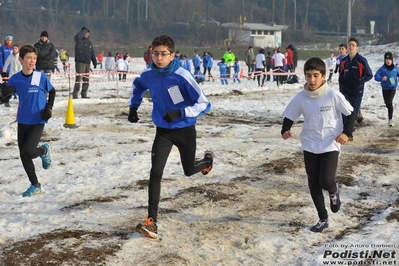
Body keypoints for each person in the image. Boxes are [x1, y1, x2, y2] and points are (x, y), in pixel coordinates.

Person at [127, 35, 213, 239]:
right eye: (155, 53)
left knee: (189, 170)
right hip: (163, 131)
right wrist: (133, 107)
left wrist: (180, 113)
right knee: (155, 172)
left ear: (172, 55)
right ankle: (152, 220)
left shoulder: (182, 75)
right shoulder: (148, 73)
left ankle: (207, 161)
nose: (159, 58)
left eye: (164, 54)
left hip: (185, 130)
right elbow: (138, 87)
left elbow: (204, 104)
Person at [281, 57, 355, 233]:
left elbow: (350, 114)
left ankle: (333, 190)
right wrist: (285, 130)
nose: (312, 80)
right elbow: (289, 116)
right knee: (313, 184)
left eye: (316, 75)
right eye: (308, 75)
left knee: (325, 180)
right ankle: (323, 218)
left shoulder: (333, 95)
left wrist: (347, 133)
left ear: (323, 76)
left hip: (330, 143)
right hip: (309, 144)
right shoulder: (301, 97)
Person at [0, 45, 55, 197]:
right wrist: (3, 92)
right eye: (29, 58)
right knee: (23, 155)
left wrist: (49, 108)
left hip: (38, 120)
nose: (32, 61)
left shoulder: (40, 77)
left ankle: (43, 150)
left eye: (34, 58)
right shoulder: (15, 79)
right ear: (21, 59)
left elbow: (52, 91)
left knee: (29, 151)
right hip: (23, 120)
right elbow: (4, 96)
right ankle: (35, 185)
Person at [337, 37, 373, 127]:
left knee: (354, 113)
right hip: (345, 91)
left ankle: (349, 130)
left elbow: (369, 75)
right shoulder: (343, 61)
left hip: (357, 91)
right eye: (349, 45)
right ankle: (347, 132)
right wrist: (341, 79)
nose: (351, 47)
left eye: (353, 45)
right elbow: (341, 73)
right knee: (344, 112)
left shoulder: (361, 60)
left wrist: (359, 81)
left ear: (357, 47)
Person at [374, 52, 399, 127]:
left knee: (389, 101)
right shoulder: (382, 68)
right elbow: (376, 76)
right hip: (384, 88)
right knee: (387, 103)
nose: (388, 61)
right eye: (386, 59)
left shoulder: (395, 68)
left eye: (389, 59)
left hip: (392, 88)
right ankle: (390, 108)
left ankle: (390, 120)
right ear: (385, 60)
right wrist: (381, 78)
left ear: (392, 60)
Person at [73, 27, 97, 99]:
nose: (87, 34)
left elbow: (92, 52)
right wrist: (83, 31)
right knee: (79, 79)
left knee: (86, 79)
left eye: (87, 33)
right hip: (80, 62)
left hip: (87, 62)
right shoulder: (78, 40)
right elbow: (77, 37)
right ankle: (75, 94)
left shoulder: (89, 41)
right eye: (85, 33)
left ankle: (84, 93)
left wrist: (94, 62)